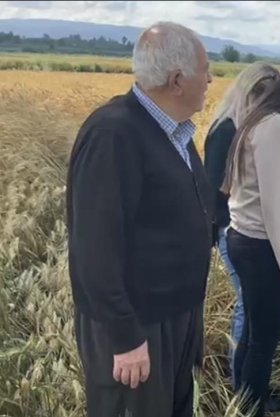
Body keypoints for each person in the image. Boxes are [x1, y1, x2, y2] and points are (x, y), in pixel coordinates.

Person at [65, 21, 214, 417]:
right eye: (206, 68)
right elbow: (94, 248)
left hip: (175, 318)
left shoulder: (174, 132)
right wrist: (125, 337)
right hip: (139, 327)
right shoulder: (114, 134)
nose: (212, 78)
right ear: (178, 79)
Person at [221, 72, 280, 417]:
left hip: (244, 239)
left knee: (254, 333)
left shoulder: (254, 121)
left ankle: (248, 401)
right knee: (263, 341)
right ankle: (254, 409)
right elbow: (274, 207)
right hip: (263, 247)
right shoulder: (274, 128)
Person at [203, 62, 279, 389]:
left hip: (248, 231)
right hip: (230, 231)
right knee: (248, 308)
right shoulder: (227, 130)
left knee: (254, 308)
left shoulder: (248, 128)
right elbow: (214, 189)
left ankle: (250, 385)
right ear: (250, 95)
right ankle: (242, 390)